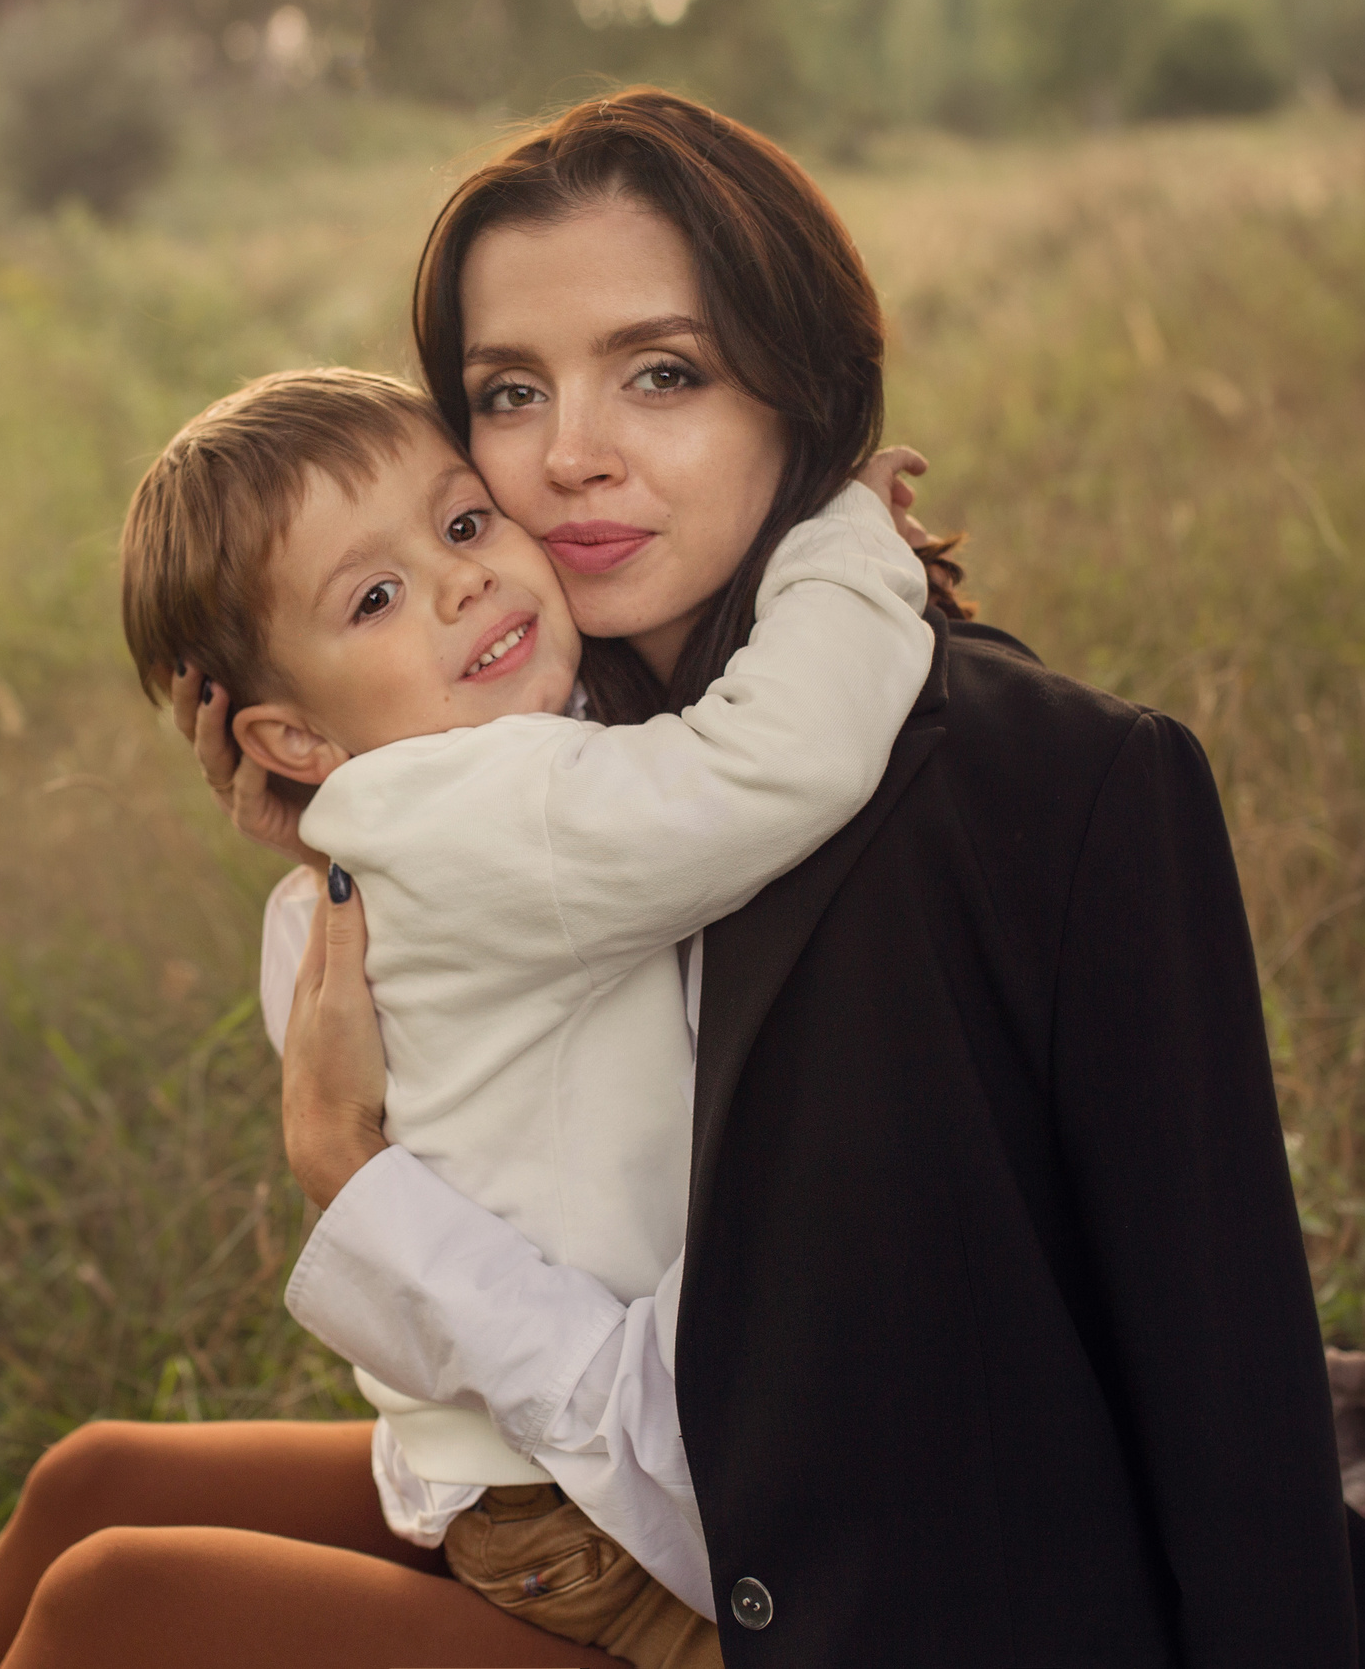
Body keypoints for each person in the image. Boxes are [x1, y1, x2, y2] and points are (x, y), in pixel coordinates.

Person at [0, 88, 1365, 1668]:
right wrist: (345, 801)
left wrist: (355, 1176)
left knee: (125, 1605)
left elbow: (1222, 1388)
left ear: (801, 388)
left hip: (822, 1598)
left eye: (663, 374)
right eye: (512, 394)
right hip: (634, 1491)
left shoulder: (1043, 789)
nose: (567, 462)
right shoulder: (578, 722)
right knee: (92, 1483)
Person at [115, 364, 931, 1666]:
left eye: (461, 523)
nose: (460, 582)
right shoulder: (502, 807)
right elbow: (782, 760)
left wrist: (326, 775)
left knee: (97, 1507)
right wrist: (836, 535)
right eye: (373, 597)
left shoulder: (365, 858)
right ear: (286, 734)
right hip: (600, 1509)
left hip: (492, 1470)